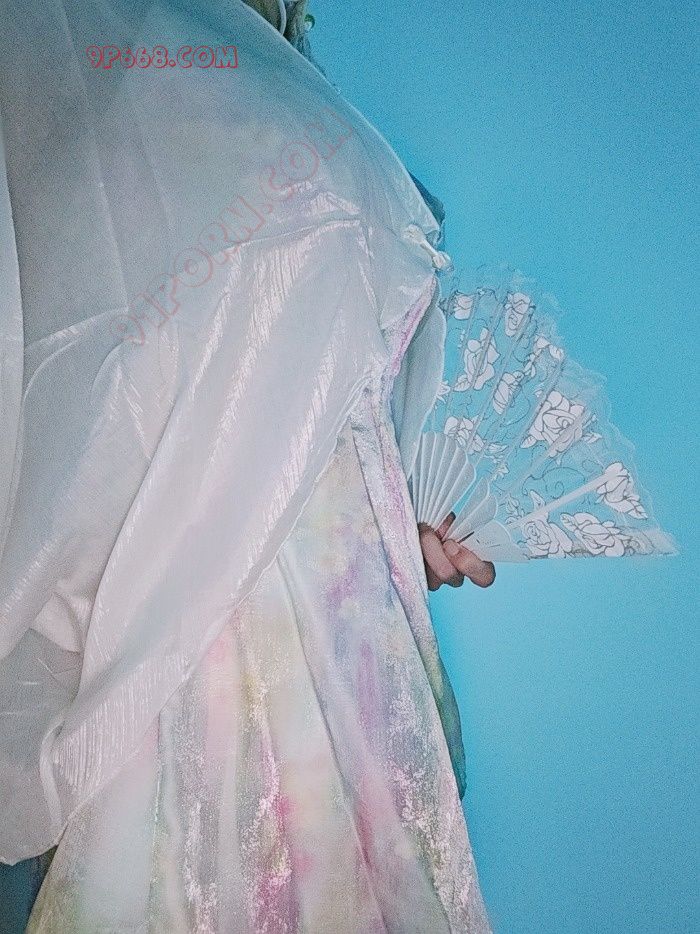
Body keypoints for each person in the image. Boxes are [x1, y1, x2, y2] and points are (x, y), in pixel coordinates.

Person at [0, 0, 493, 930]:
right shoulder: (298, 157)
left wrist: (377, 538)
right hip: (174, 733)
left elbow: (292, 449)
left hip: (328, 717)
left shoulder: (297, 141)